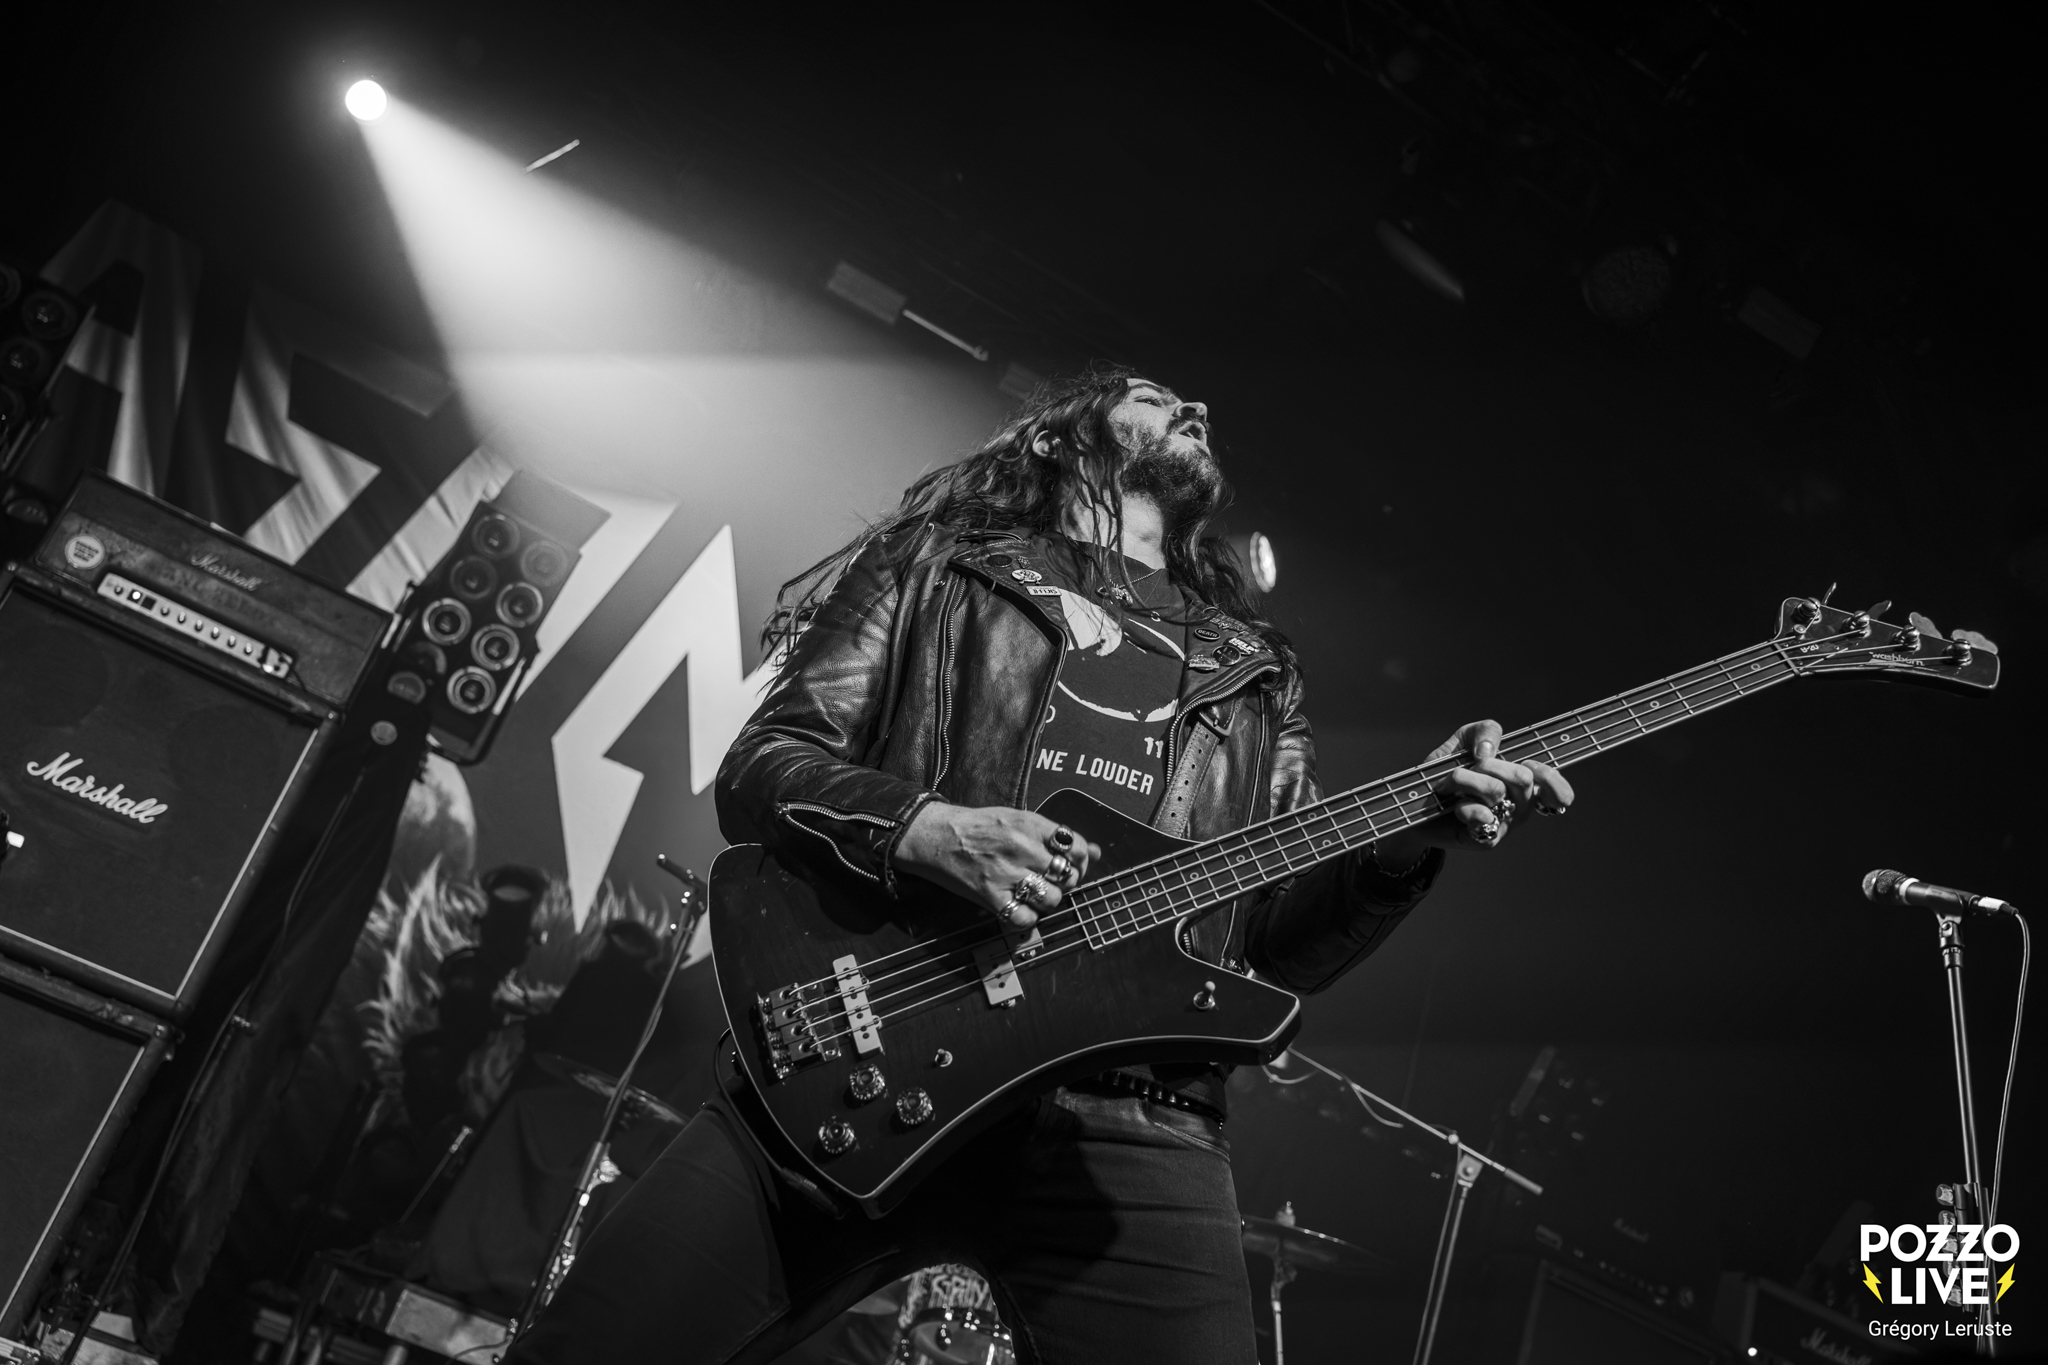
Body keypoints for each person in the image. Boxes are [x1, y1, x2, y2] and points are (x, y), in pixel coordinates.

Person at [504, 366, 1575, 1365]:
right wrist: (931, 829)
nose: (1194, 410)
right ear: (1062, 439)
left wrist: (1399, 841)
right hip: (874, 1044)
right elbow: (766, 764)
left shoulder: (1255, 674)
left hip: (1133, 1114)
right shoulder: (939, 568)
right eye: (1152, 397)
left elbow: (1273, 945)